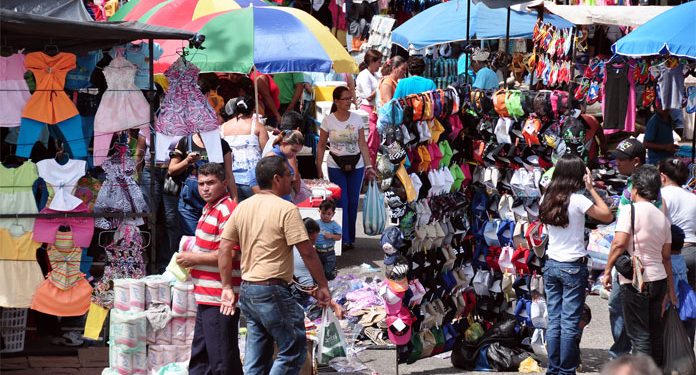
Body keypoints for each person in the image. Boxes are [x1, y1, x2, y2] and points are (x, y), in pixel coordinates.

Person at [218, 156, 331, 375]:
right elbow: (307, 251)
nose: (292, 179)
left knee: (256, 359)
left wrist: (226, 287)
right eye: (289, 175)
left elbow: (224, 248)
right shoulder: (286, 209)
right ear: (277, 179)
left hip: (249, 288)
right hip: (271, 290)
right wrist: (323, 285)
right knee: (294, 349)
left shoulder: (243, 207)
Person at [538, 154, 613, 375]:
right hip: (572, 266)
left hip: (551, 265)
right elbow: (607, 216)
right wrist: (591, 188)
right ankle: (566, 370)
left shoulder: (546, 198)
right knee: (569, 323)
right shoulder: (579, 199)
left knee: (554, 321)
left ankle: (554, 369)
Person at [602, 165, 677, 367]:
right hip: (658, 279)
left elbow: (619, 243)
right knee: (655, 333)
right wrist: (670, 290)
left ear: (635, 188)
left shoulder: (629, 210)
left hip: (635, 281)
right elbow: (666, 256)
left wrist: (607, 271)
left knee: (639, 335)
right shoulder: (662, 218)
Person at [175, 163, 242, 375]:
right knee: (201, 358)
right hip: (205, 295)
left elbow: (230, 254)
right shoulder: (208, 208)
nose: (205, 188)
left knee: (222, 360)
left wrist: (194, 258)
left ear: (224, 184)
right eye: (201, 183)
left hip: (219, 296)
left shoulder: (226, 210)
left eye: (211, 183)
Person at [316, 86, 376, 250]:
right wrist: (318, 167)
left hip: (357, 164)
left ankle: (350, 238)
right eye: (346, 99)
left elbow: (362, 143)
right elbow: (321, 145)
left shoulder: (356, 119)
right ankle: (343, 239)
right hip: (335, 164)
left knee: (353, 201)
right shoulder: (328, 120)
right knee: (341, 201)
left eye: (351, 98)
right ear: (336, 101)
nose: (349, 101)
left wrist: (369, 165)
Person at [607, 138, 648, 359]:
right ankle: (622, 355)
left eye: (621, 160)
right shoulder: (631, 183)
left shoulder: (645, 186)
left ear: (636, 161)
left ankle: (628, 356)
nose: (617, 163)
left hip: (635, 256)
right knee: (618, 306)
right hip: (626, 255)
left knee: (625, 306)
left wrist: (608, 266)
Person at [658, 157, 696, 344]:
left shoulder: (662, 196)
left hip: (673, 255)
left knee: (667, 304)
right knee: (689, 306)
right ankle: (686, 354)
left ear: (663, 177)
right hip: (693, 252)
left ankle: (668, 356)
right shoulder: (693, 197)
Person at [168, 133, 237, 235]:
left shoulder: (222, 144)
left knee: (211, 237)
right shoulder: (185, 141)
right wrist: (187, 161)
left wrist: (234, 202)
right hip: (189, 203)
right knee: (193, 238)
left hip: (215, 203)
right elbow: (171, 170)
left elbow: (229, 175)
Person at [135, 131, 182, 273]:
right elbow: (139, 153)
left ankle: (166, 262)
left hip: (172, 174)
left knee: (171, 218)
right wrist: (135, 178)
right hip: (150, 171)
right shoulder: (148, 125)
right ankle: (145, 258)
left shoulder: (182, 123)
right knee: (146, 217)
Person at [292, 217, 344, 319]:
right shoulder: (300, 256)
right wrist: (335, 305)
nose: (314, 243)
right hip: (294, 296)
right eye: (311, 240)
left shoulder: (292, 245)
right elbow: (309, 289)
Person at [221, 96, 269, 202]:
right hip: (254, 180)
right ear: (253, 110)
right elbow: (267, 153)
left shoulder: (223, 127)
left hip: (230, 180)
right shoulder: (258, 126)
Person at [250, 129, 305, 201]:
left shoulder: (285, 156)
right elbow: (253, 179)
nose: (294, 155)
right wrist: (267, 199)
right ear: (284, 144)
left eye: (297, 152)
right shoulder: (272, 157)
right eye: (293, 150)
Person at [356, 49, 383, 166]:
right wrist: (381, 85)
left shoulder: (376, 75)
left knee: (376, 142)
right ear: (372, 62)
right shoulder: (364, 76)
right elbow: (369, 97)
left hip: (376, 110)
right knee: (370, 142)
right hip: (368, 110)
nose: (380, 65)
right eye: (378, 62)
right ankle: (368, 169)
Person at [315, 199, 341, 281]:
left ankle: (331, 279)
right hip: (317, 251)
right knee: (318, 271)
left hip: (329, 252)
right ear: (319, 211)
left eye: (329, 214)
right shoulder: (316, 223)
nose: (325, 216)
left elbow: (339, 237)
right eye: (323, 213)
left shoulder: (334, 225)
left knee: (328, 272)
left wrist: (331, 236)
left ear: (333, 214)